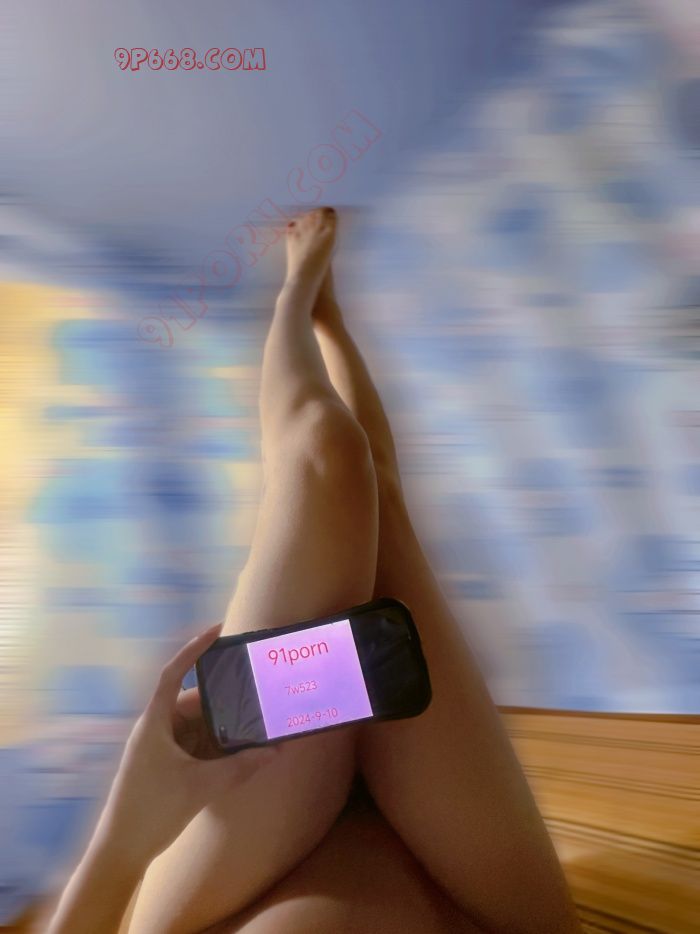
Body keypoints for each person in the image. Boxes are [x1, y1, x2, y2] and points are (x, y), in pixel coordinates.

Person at [47, 208, 581, 933]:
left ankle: (297, 299)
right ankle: (324, 313)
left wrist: (121, 843)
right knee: (372, 483)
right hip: (490, 910)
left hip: (210, 903)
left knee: (327, 453)